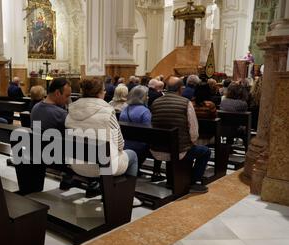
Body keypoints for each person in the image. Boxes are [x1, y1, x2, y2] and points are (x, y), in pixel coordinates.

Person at [65, 77, 142, 206]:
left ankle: (106, 190)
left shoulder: (71, 111)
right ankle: (128, 196)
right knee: (132, 155)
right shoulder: (106, 111)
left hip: (76, 164)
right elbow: (120, 143)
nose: (105, 92)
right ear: (100, 92)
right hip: (103, 167)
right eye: (104, 90)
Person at [151, 77, 211, 194]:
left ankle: (171, 180)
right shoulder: (186, 103)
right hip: (179, 151)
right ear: (180, 89)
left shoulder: (155, 102)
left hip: (158, 148)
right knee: (205, 152)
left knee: (174, 144)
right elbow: (194, 131)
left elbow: (152, 123)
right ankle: (193, 181)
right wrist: (192, 143)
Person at [120, 86, 165, 182]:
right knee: (160, 144)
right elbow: (148, 132)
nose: (148, 97)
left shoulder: (125, 109)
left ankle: (137, 167)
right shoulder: (145, 111)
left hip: (126, 143)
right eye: (146, 95)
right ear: (141, 97)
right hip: (140, 146)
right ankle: (156, 173)